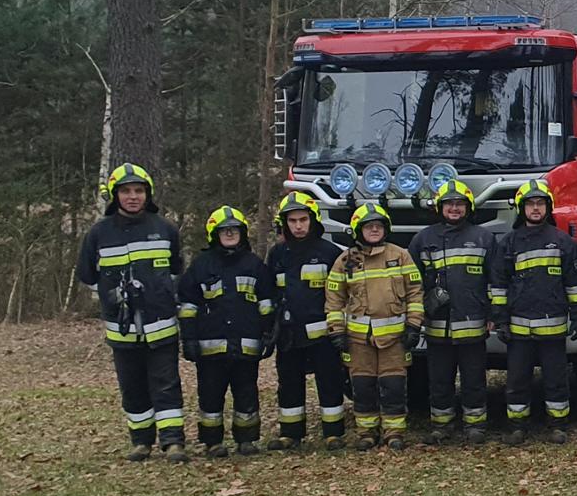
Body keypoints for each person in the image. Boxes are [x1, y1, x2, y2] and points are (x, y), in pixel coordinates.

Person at [76, 163, 188, 463]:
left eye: (139, 190)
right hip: (121, 329)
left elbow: (177, 270)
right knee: (132, 386)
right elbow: (86, 274)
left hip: (161, 325)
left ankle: (173, 442)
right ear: (115, 195)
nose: (133, 196)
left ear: (147, 194)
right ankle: (141, 441)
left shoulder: (164, 230)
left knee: (167, 385)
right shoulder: (98, 234)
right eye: (126, 191)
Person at [491, 179, 577, 445]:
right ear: (521, 209)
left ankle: (557, 425)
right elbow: (498, 284)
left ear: (548, 207)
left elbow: (574, 284)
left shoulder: (563, 242)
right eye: (530, 204)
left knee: (556, 380)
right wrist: (501, 321)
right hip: (518, 330)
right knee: (517, 381)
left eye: (540, 203)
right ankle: (518, 426)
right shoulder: (509, 243)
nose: (535, 208)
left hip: (553, 329)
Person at [177, 206, 275, 458]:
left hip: (246, 346)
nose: (230, 234)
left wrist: (268, 333)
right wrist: (188, 339)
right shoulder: (201, 266)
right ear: (214, 234)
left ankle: (247, 440)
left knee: (247, 395)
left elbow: (266, 302)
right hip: (210, 351)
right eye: (225, 231)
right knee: (210, 397)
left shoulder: (255, 265)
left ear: (243, 233)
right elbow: (188, 306)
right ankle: (212, 442)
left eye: (235, 230)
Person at [326, 204, 423, 451]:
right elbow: (334, 299)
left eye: (378, 226)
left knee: (393, 386)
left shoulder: (400, 256)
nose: (374, 230)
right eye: (369, 226)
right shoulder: (346, 261)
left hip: (394, 338)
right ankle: (366, 433)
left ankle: (394, 432)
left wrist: (413, 325)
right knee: (362, 387)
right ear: (358, 230)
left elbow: (415, 293)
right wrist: (336, 331)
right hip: (359, 340)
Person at [408, 181, 499, 444]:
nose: (455, 208)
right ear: (440, 207)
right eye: (449, 204)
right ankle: (441, 426)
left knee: (474, 378)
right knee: (439, 380)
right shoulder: (422, 239)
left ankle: (475, 426)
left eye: (459, 204)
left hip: (473, 323)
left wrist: (493, 314)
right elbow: (412, 283)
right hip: (437, 326)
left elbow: (495, 280)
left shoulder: (484, 238)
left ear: (468, 207)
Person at [265, 192, 347, 451]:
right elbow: (271, 292)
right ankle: (291, 433)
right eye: (292, 221)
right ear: (284, 223)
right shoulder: (277, 254)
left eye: (303, 219)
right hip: (289, 333)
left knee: (330, 382)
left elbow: (341, 294)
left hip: (323, 333)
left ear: (313, 220)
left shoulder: (330, 252)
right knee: (288, 383)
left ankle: (333, 434)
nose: (298, 226)